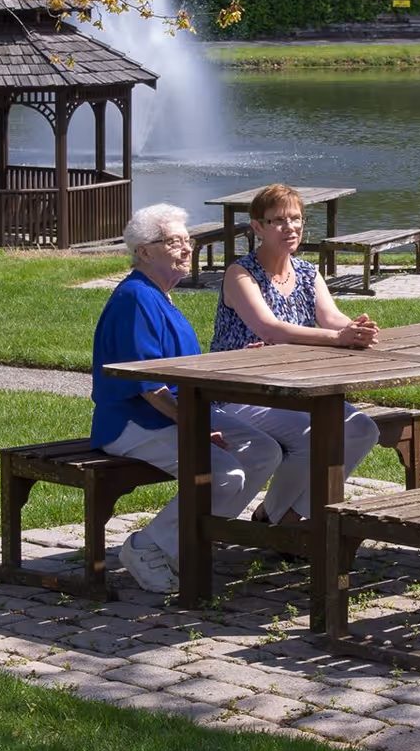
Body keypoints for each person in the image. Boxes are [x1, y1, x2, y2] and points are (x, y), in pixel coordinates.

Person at [90, 203, 283, 593]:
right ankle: (146, 547)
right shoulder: (135, 298)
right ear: (144, 251)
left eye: (188, 241)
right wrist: (193, 427)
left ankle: (184, 543)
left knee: (263, 450)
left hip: (176, 413)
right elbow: (148, 384)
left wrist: (230, 361)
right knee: (226, 475)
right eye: (174, 242)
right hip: (133, 422)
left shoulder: (161, 296)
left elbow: (181, 367)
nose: (186, 249)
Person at [211, 183, 383, 526]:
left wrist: (357, 328)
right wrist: (337, 337)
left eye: (296, 219)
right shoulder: (241, 274)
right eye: (277, 221)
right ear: (257, 227)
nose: (289, 227)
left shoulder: (307, 272)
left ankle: (282, 514)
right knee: (315, 435)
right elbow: (268, 328)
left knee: (362, 428)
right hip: (241, 392)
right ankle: (282, 522)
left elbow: (332, 317)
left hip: (296, 389)